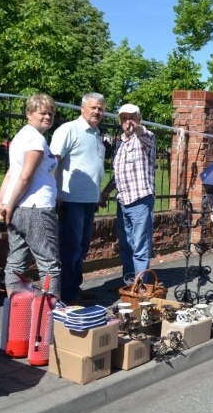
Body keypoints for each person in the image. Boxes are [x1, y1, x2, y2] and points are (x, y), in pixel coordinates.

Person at [0, 94, 61, 298]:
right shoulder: (35, 140)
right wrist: (9, 203)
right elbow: (24, 177)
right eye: (42, 113)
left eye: (51, 113)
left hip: (21, 210)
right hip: (36, 209)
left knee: (16, 260)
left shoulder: (23, 136)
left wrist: (2, 198)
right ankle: (49, 314)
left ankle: (16, 309)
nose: (48, 117)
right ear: (29, 114)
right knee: (49, 263)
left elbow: (12, 171)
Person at [50, 92, 106, 304]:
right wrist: (55, 192)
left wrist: (96, 194)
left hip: (88, 200)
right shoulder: (69, 129)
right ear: (82, 109)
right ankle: (67, 293)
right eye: (93, 108)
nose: (97, 112)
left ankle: (74, 287)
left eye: (100, 109)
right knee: (70, 246)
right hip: (70, 199)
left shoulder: (97, 133)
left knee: (82, 246)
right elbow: (54, 161)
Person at [100, 104, 156, 281]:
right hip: (123, 200)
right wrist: (107, 191)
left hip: (140, 200)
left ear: (139, 119)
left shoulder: (146, 138)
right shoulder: (121, 144)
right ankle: (129, 282)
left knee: (140, 245)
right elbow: (119, 174)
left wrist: (136, 128)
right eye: (124, 118)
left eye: (132, 117)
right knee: (126, 246)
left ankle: (141, 285)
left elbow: (143, 134)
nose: (128, 122)